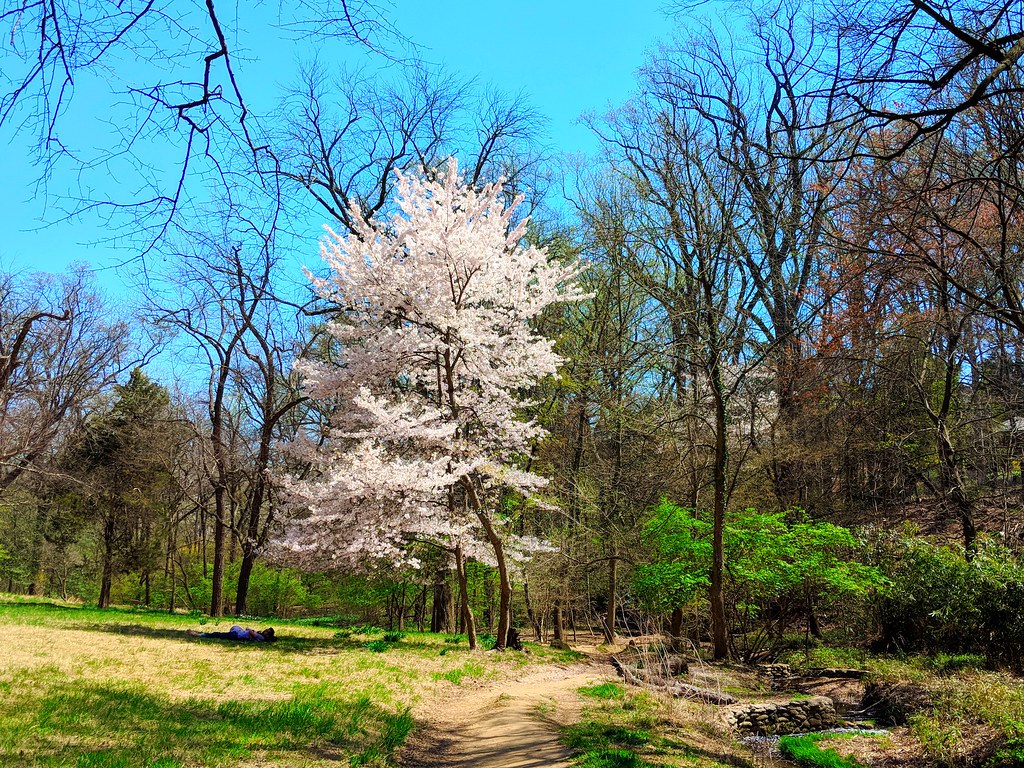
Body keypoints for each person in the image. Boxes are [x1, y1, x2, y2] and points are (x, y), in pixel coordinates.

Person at [190, 625, 276, 642]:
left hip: (237, 635)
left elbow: (251, 632)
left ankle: (199, 634)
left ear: (268, 635)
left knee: (218, 634)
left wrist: (250, 629)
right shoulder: (260, 635)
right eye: (266, 629)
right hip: (238, 633)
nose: (265, 631)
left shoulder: (262, 638)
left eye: (267, 631)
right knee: (235, 627)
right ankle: (201, 633)